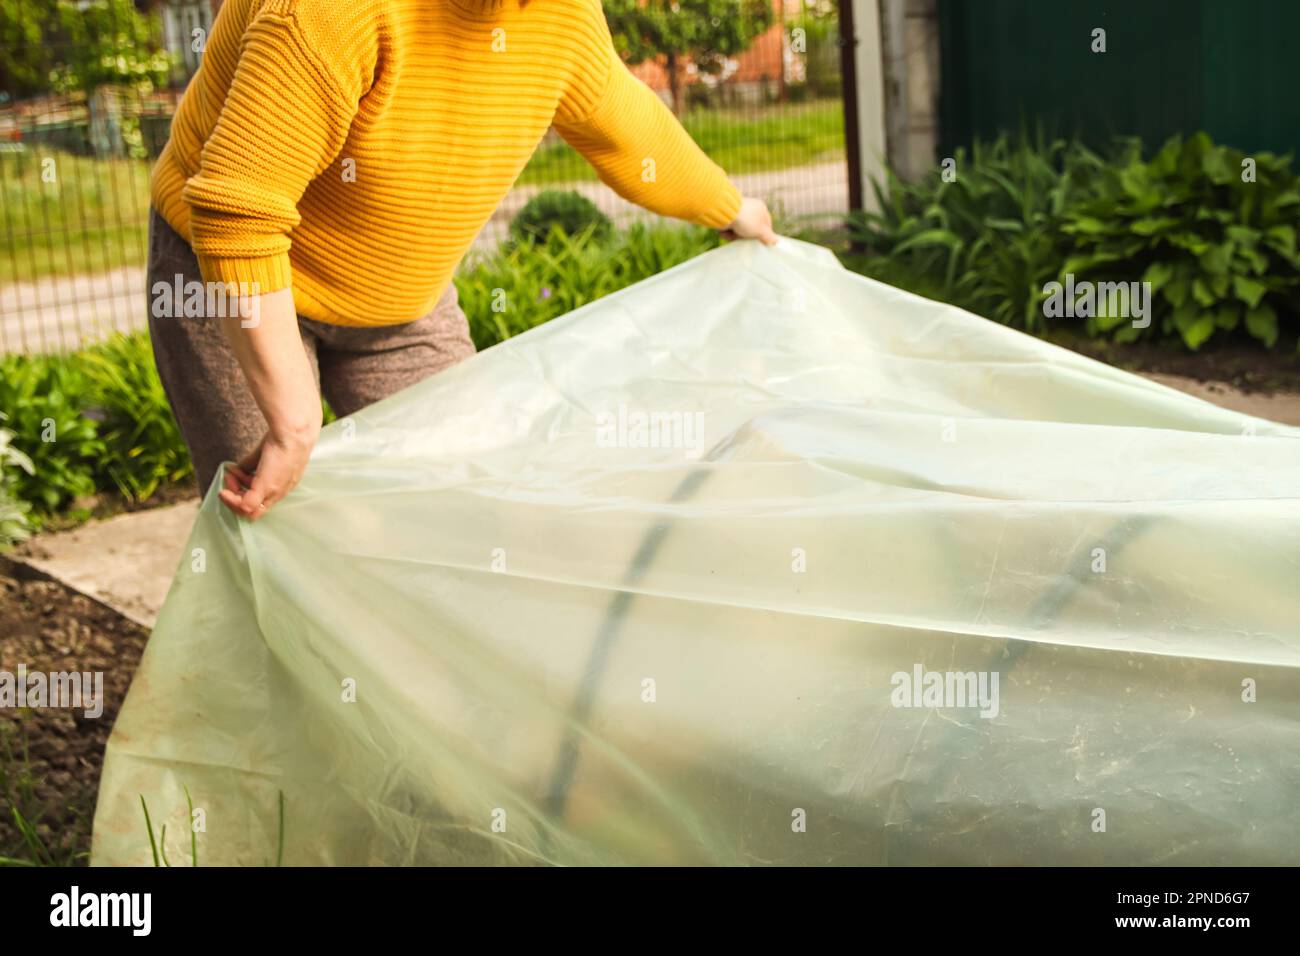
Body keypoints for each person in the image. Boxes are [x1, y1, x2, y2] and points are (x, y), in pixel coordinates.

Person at [148, 0, 778, 521]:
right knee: (270, 519)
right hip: (235, 282)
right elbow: (239, 213)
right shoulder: (331, 12)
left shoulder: (563, 17)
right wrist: (292, 420)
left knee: (458, 504)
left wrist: (729, 206)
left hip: (400, 304)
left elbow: (625, 124)